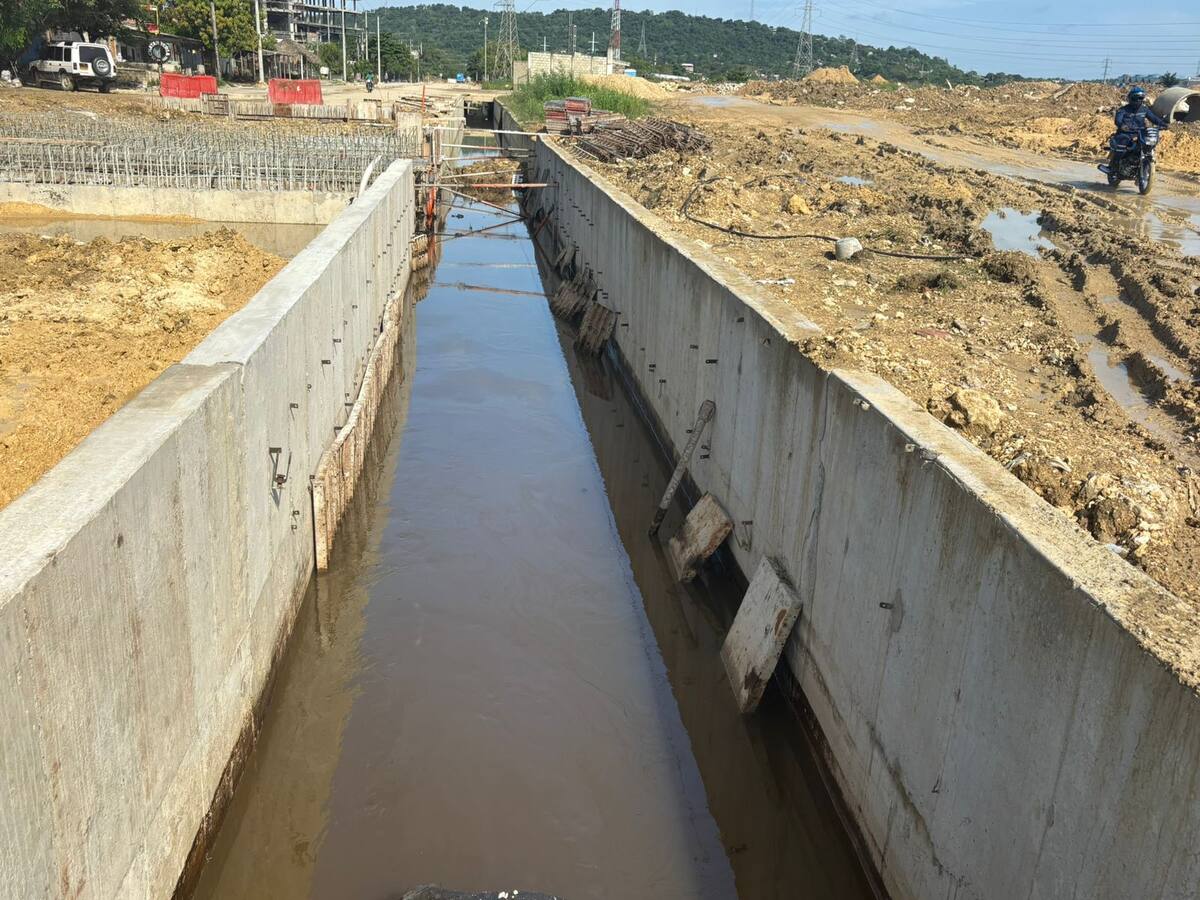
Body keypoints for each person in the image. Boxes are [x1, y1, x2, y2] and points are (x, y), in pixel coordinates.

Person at [1101, 87, 1169, 174]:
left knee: (1148, 144)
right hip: (1125, 133)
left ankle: (1141, 167)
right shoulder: (1123, 110)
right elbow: (1117, 120)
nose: (1138, 100)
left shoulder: (1144, 110)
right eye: (1135, 98)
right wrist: (1122, 126)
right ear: (1130, 98)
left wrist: (1163, 125)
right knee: (1121, 145)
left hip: (1140, 133)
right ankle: (1113, 167)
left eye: (1140, 98)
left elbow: (1154, 119)